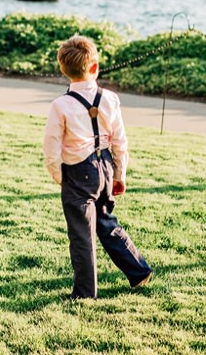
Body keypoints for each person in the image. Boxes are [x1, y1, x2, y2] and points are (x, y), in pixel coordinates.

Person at [42, 35, 153, 299]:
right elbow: (120, 140)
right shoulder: (110, 98)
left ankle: (85, 293)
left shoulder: (61, 105)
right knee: (105, 221)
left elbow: (51, 146)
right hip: (105, 166)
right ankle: (138, 271)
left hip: (77, 171)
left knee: (82, 233)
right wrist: (119, 173)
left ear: (63, 69)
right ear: (95, 67)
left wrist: (59, 176)